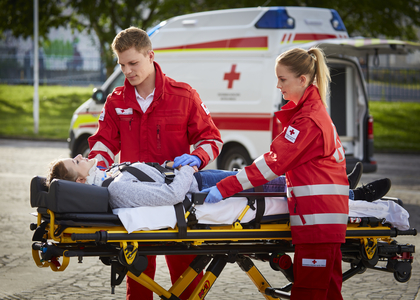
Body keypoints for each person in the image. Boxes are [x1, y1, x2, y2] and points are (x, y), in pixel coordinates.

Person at [200, 47, 360, 300]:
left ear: (302, 80)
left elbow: (271, 164)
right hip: (324, 222)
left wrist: (224, 188)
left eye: (282, 79)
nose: (278, 86)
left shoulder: (308, 121)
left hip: (317, 224)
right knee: (328, 293)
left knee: (308, 294)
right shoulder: (315, 115)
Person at [86, 26, 223, 300]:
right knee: (139, 284)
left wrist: (196, 158)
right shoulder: (116, 102)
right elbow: (103, 145)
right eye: (122, 64)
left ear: (151, 55)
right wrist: (93, 173)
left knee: (187, 283)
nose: (127, 71)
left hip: (177, 204)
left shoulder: (183, 96)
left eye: (133, 63)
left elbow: (211, 139)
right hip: (135, 204)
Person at [46, 155, 392, 209]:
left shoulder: (109, 176)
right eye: (76, 159)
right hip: (201, 190)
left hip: (199, 179)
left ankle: (341, 184)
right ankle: (353, 195)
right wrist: (186, 168)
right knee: (276, 186)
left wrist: (181, 166)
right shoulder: (115, 188)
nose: (82, 154)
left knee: (274, 176)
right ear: (80, 177)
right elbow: (168, 195)